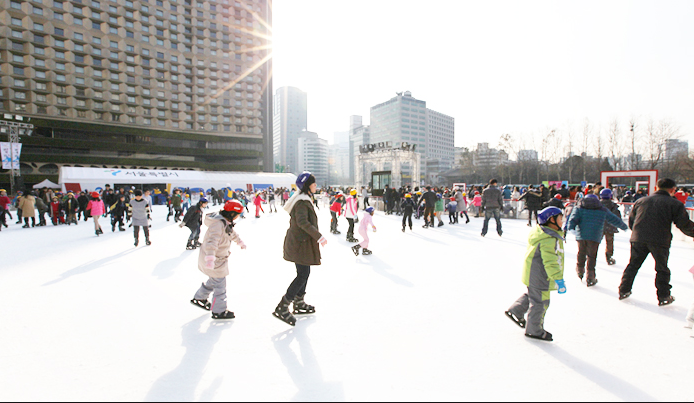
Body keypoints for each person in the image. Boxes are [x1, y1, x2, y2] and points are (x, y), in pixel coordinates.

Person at [618, 178, 694, 305]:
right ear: (672, 190)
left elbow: (632, 222)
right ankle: (663, 296)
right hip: (660, 240)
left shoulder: (641, 201)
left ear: (656, 188)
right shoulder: (674, 204)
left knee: (633, 265)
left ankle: (623, 290)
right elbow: (683, 224)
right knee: (661, 268)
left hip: (638, 238)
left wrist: (638, 233)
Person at [505, 207, 566, 342]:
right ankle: (534, 330)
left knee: (534, 295)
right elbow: (550, 262)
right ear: (552, 220)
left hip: (533, 272)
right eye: (560, 218)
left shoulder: (542, 233)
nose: (563, 221)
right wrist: (558, 279)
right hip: (541, 276)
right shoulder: (549, 239)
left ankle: (516, 310)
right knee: (540, 302)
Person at [274, 172, 327, 327]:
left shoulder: (303, 199)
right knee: (302, 275)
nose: (316, 186)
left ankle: (299, 302)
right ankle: (283, 306)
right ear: (307, 186)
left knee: (304, 273)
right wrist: (319, 236)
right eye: (314, 184)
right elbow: (302, 222)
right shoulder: (302, 202)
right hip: (300, 243)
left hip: (301, 242)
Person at [190, 200, 246, 320]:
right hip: (214, 259)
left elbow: (231, 233)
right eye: (237, 214)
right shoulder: (218, 225)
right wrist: (210, 258)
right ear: (231, 213)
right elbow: (212, 241)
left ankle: (200, 297)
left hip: (218, 259)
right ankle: (219, 311)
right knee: (220, 286)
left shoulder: (225, 223)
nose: (238, 217)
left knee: (215, 280)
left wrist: (239, 242)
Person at [567, 194, 627, 286]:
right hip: (595, 235)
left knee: (581, 252)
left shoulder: (579, 208)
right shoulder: (602, 210)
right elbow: (613, 219)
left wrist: (571, 228)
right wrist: (624, 227)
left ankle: (580, 270)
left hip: (581, 235)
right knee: (592, 255)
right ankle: (590, 277)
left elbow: (573, 219)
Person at [599, 188, 622, 265]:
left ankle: (591, 256)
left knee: (595, 242)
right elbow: (617, 216)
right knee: (609, 242)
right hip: (610, 227)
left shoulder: (597, 205)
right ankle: (609, 256)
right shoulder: (613, 205)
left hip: (599, 227)